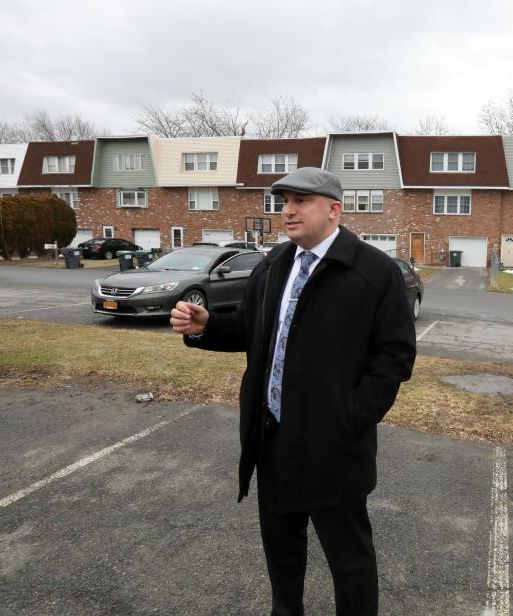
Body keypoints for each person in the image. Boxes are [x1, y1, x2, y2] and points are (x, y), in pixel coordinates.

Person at [170, 167, 416, 616]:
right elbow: (254, 328)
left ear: (333, 209)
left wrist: (353, 416)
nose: (287, 211)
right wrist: (207, 326)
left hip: (334, 445)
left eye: (300, 201)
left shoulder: (373, 271)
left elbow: (395, 355)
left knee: (349, 559)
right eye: (284, 201)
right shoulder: (274, 263)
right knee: (281, 551)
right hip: (273, 437)